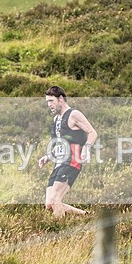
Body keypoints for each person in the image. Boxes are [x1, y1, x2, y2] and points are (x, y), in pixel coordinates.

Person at [38, 86, 98, 216]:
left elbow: (92, 132)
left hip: (72, 160)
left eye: (51, 101)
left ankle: (58, 232)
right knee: (49, 204)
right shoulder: (56, 120)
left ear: (60, 99)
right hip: (59, 162)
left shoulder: (74, 114)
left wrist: (86, 149)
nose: (49, 105)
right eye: (47, 102)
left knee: (55, 200)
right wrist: (48, 156)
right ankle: (86, 215)